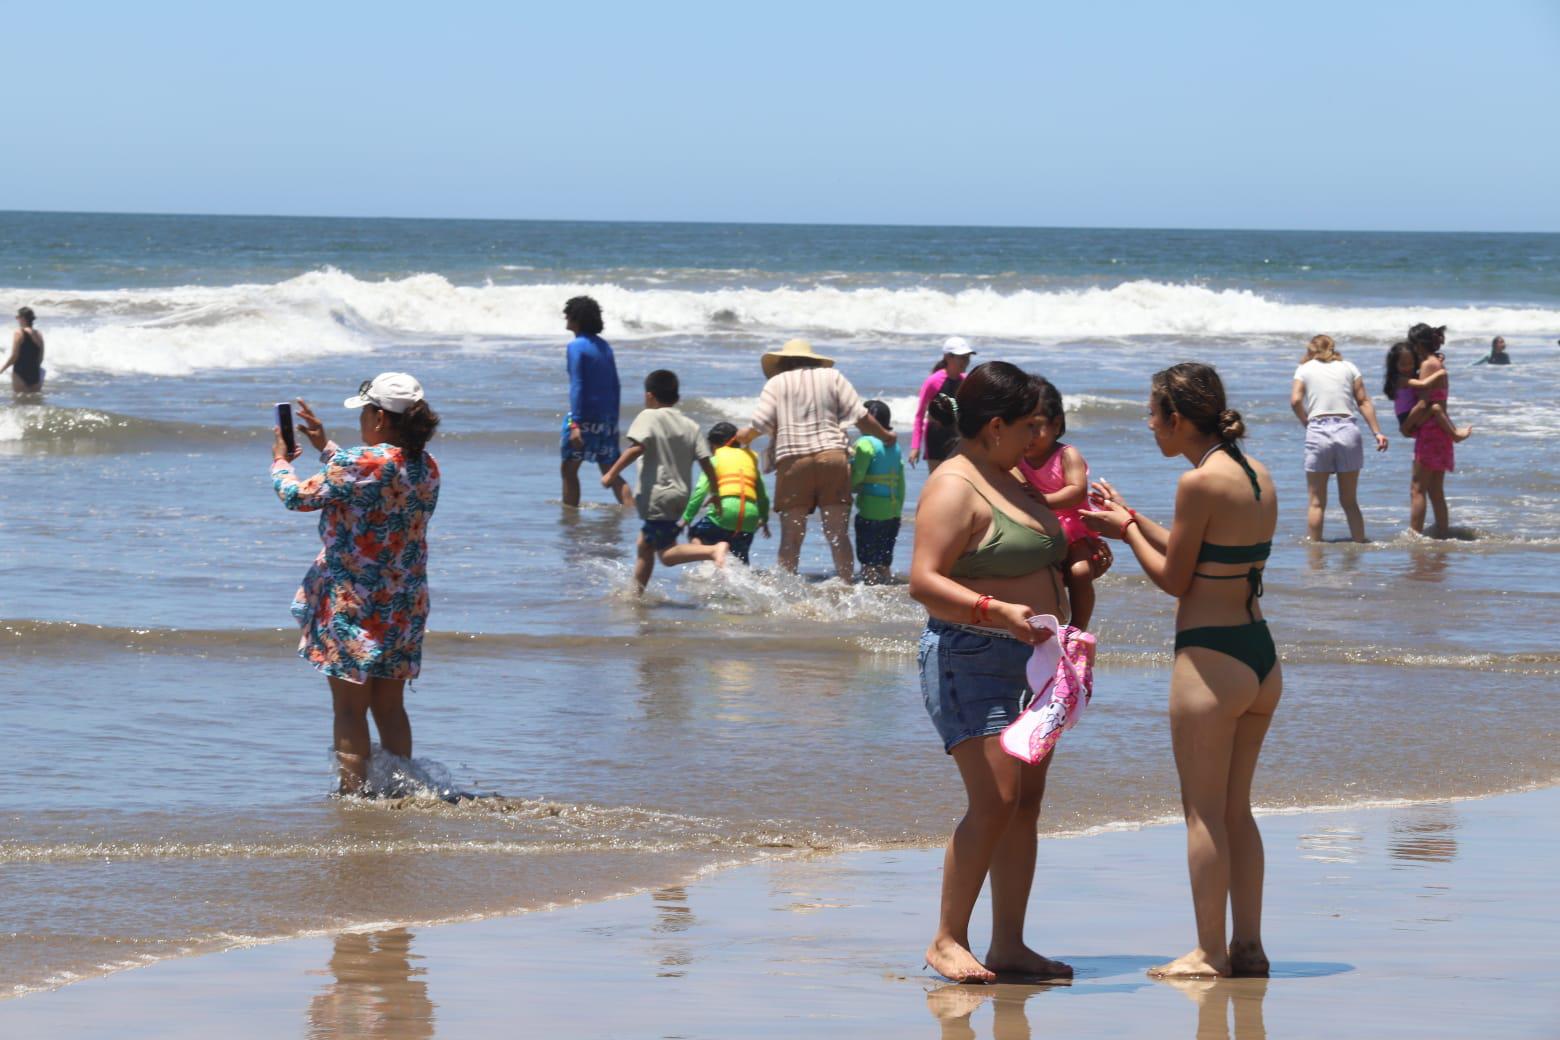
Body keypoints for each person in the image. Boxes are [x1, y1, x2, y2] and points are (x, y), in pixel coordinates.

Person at [1081, 362, 1279, 980]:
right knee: (1237, 810)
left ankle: (1207, 952)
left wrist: (1123, 532)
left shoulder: (1197, 484)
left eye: (1152, 413)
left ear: (1176, 418)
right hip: (1259, 656)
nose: (1148, 424)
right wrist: (1134, 518)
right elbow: (1206, 552)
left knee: (1203, 814)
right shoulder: (1254, 474)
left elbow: (1174, 580)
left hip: (1209, 660)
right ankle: (1248, 946)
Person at [908, 361, 1074, 984]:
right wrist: (998, 610)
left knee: (1024, 803)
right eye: (1030, 426)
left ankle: (1009, 944)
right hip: (970, 654)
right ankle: (947, 939)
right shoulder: (953, 485)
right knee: (995, 799)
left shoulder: (1010, 474)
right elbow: (923, 580)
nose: (1041, 438)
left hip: (1037, 660)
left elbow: (1035, 551)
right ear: (995, 425)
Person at [271, 373, 442, 796]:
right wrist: (325, 447)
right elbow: (365, 479)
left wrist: (280, 461)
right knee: (390, 706)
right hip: (403, 600)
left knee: (349, 708)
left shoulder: (363, 463)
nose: (363, 420)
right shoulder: (425, 465)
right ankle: (400, 790)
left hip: (354, 603)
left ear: (381, 419)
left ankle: (354, 797)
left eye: (365, 412)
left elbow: (297, 497)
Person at [733, 339, 896, 582]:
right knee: (837, 533)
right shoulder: (833, 377)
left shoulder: (776, 383)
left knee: (791, 536)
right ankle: (846, 585)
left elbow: (760, 423)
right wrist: (887, 436)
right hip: (833, 458)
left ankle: (786, 590)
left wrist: (744, 436)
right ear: (813, 360)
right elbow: (861, 417)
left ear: (783, 363)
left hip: (793, 461)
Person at [600, 370, 727, 590]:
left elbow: (637, 447)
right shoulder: (691, 425)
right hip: (679, 497)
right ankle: (636, 595)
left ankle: (712, 550)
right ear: (677, 398)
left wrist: (611, 474)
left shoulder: (648, 416)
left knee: (666, 554)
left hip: (657, 495)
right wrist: (715, 493)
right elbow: (706, 462)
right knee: (644, 545)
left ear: (649, 396)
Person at [1016, 377, 1108, 630]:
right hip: (1037, 529)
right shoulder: (1017, 458)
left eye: (1036, 427)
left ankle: (1078, 627)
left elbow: (1077, 492)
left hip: (1072, 529)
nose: (1030, 436)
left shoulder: (1066, 454)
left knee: (1079, 572)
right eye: (1024, 427)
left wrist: (1045, 500)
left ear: (1056, 425)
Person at [1289, 334, 1389, 542]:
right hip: (1347, 431)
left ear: (1311, 350)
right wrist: (1377, 432)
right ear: (1333, 349)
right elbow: (1363, 401)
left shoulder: (1304, 369)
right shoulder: (1349, 367)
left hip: (1318, 430)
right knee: (1350, 501)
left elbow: (1296, 400)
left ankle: (1315, 556)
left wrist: (1305, 422)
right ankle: (1360, 544)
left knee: (1317, 503)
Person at [559, 296, 634, 508]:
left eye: (568, 313)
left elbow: (578, 385)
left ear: (576, 318)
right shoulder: (604, 347)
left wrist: (575, 424)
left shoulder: (576, 346)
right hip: (606, 419)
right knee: (610, 471)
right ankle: (630, 515)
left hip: (583, 418)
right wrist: (612, 422)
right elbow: (615, 385)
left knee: (569, 470)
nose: (565, 316)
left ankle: (570, 520)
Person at [680, 421, 771, 565]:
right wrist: (764, 518)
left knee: (695, 533)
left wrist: (687, 518)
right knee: (742, 563)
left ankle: (709, 562)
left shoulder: (716, 459)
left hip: (724, 513)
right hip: (750, 518)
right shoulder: (750, 459)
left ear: (715, 445)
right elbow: (762, 495)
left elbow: (700, 491)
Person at [850, 400, 906, 584]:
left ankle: (870, 588)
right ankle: (887, 586)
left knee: (868, 561)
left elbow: (858, 474)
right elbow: (901, 482)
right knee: (884, 559)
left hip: (870, 510)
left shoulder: (865, 443)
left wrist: (848, 489)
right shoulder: (895, 446)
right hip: (892, 511)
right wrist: (897, 509)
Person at [910, 337, 977, 470]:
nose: (966, 361)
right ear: (948, 357)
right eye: (961, 357)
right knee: (936, 478)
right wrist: (915, 447)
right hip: (936, 437)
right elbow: (920, 415)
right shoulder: (933, 381)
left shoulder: (966, 381)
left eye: (967, 357)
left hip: (957, 435)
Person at [3, 306, 44, 394]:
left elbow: (14, 356)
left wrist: (2, 369)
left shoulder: (19, 333)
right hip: (35, 373)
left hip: (20, 372)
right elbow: (40, 358)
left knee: (19, 401)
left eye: (17, 317)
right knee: (34, 403)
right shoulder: (39, 334)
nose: (17, 319)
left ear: (23, 318)